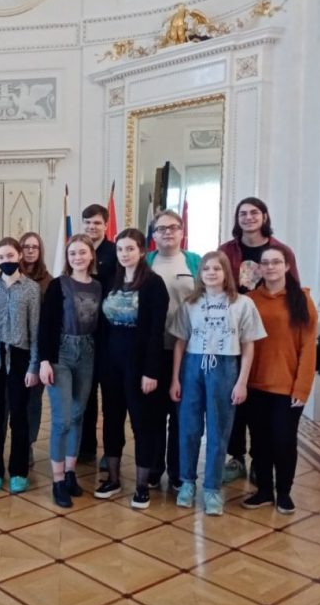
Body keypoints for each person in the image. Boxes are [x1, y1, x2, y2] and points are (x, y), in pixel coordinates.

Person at [170, 251, 266, 516]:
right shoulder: (190, 304)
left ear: (226, 273)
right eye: (206, 269)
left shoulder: (242, 304)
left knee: (218, 430)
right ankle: (187, 482)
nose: (211, 273)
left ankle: (212, 487)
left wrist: (242, 382)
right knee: (188, 428)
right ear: (200, 274)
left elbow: (248, 346)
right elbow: (180, 342)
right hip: (193, 366)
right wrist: (175, 378)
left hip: (225, 368)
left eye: (217, 268)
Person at [219, 197, 299, 484]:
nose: (249, 218)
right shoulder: (226, 251)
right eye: (243, 213)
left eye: (254, 213)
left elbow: (293, 294)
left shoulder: (281, 251)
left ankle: (259, 460)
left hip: (269, 335)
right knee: (235, 398)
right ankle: (236, 457)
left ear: (264, 216)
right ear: (237, 218)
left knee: (260, 404)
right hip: (231, 333)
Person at [94, 229, 169, 509]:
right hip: (111, 364)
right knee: (112, 420)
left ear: (142, 251)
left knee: (142, 423)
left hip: (140, 366)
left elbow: (156, 331)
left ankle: (141, 486)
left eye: (130, 249)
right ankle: (113, 479)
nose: (124, 254)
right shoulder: (110, 279)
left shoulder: (153, 284)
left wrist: (151, 371)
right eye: (120, 249)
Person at [242, 246, 317, 515]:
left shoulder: (301, 300)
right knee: (259, 442)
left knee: (283, 441)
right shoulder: (249, 300)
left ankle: (284, 492)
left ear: (286, 266)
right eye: (265, 263)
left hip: (287, 386)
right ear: (259, 268)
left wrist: (302, 387)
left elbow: (308, 346)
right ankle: (264, 490)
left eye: (276, 262)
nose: (270, 267)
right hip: (255, 384)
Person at [39, 234, 103, 508]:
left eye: (82, 252)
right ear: (67, 258)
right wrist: (44, 361)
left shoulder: (99, 286)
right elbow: (46, 324)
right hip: (61, 355)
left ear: (91, 255)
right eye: (72, 253)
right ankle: (56, 481)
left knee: (78, 416)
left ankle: (69, 473)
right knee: (62, 419)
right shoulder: (58, 285)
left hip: (87, 354)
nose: (77, 257)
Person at [0, 237, 40, 493]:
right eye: (1, 257)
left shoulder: (32, 288)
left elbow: (35, 329)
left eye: (10, 256)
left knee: (19, 414)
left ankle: (18, 470)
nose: (6, 261)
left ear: (19, 257)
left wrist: (34, 366)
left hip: (20, 355)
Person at [146, 210, 201, 490]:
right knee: (154, 414)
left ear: (182, 231)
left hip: (188, 351)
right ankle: (154, 469)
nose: (167, 232)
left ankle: (179, 472)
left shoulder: (195, 262)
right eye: (161, 228)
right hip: (155, 351)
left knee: (182, 414)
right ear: (153, 235)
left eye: (173, 227)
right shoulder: (146, 262)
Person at [79, 203, 118, 465]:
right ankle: (86, 447)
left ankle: (111, 452)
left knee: (111, 396)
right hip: (83, 333)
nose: (92, 227)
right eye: (88, 222)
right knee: (86, 393)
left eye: (96, 223)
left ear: (106, 225)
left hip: (109, 333)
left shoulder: (115, 252)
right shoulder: (77, 249)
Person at [19, 231, 53, 465]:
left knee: (32, 401)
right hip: (14, 348)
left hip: (37, 348)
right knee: (8, 401)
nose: (30, 251)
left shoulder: (49, 282)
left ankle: (27, 444)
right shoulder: (10, 276)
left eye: (35, 247)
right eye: (26, 247)